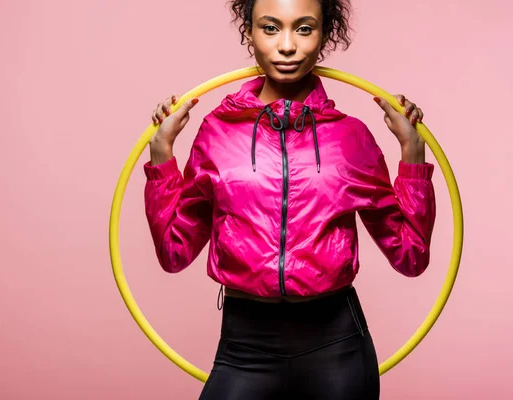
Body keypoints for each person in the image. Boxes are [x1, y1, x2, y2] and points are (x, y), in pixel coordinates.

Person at [143, 0, 436, 398]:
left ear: (325, 35)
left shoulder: (352, 139)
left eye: (303, 28)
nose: (286, 46)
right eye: (269, 28)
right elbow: (173, 254)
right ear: (249, 32)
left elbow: (411, 256)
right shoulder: (216, 132)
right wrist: (161, 158)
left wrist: (412, 156)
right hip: (243, 347)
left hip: (337, 348)